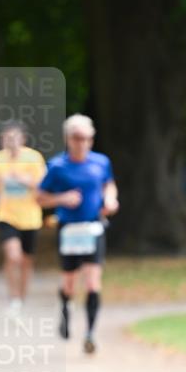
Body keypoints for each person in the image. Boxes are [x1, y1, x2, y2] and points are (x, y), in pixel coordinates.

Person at [37, 113, 119, 353]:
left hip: (93, 226)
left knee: (93, 281)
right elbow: (39, 197)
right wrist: (61, 198)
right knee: (70, 283)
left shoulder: (101, 162)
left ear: (91, 139)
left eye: (86, 138)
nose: (81, 142)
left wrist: (111, 199)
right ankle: (65, 307)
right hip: (69, 230)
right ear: (68, 139)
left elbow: (109, 183)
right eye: (76, 138)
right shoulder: (56, 166)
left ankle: (90, 333)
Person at [0, 121, 47, 316]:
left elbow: (44, 185)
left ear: (22, 138)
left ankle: (22, 297)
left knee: (26, 260)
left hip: (30, 216)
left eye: (13, 137)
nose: (10, 141)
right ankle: (13, 298)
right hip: (6, 214)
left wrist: (23, 179)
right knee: (13, 256)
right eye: (6, 138)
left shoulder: (33, 158)